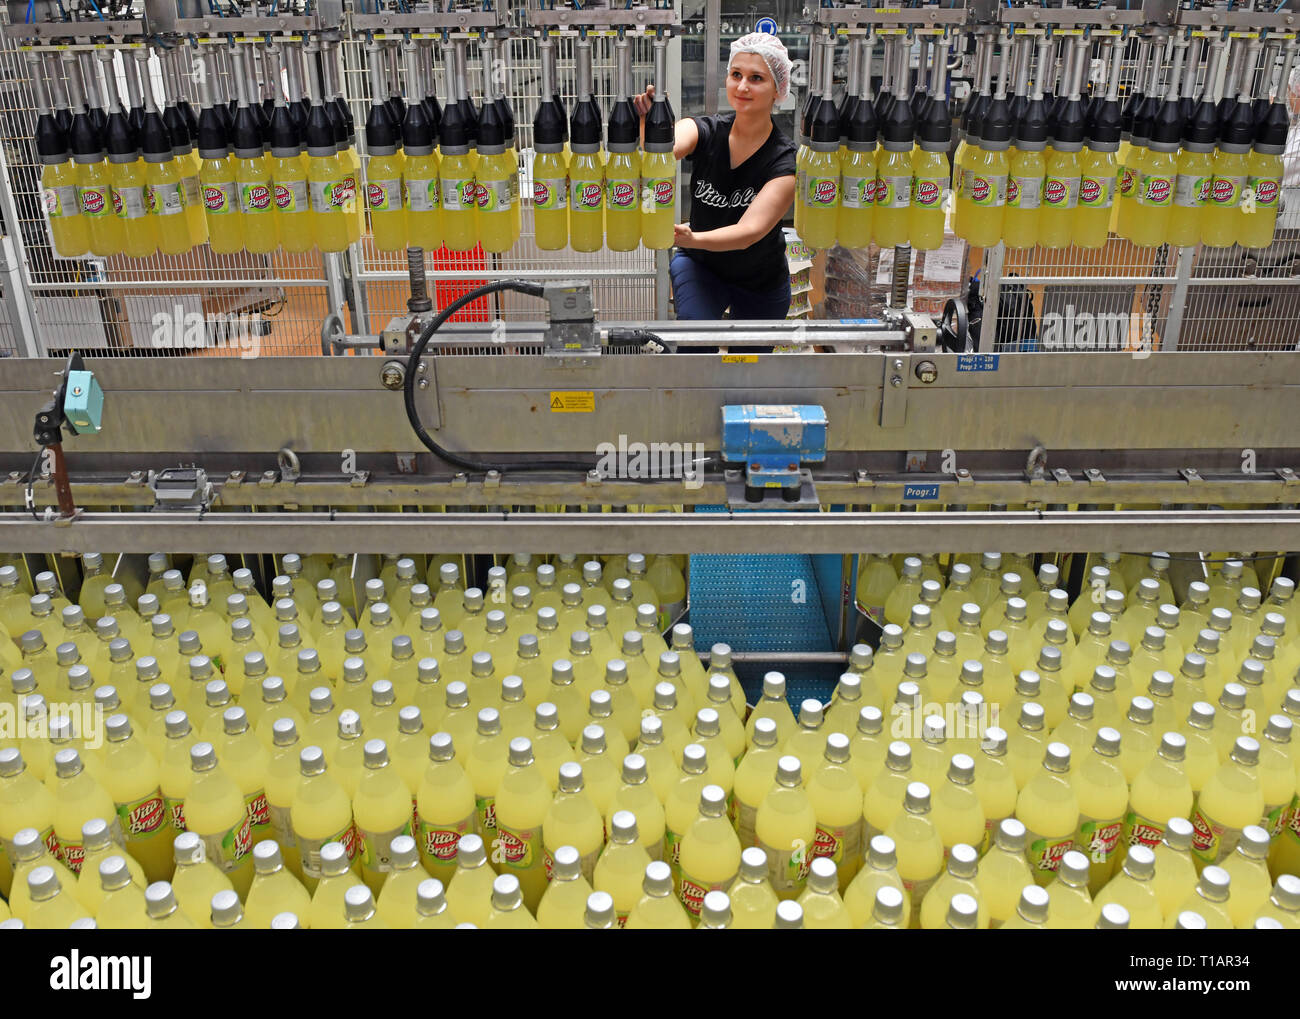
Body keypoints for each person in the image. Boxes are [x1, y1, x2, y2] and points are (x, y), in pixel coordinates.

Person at [633, 32, 798, 327]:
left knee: (751, 364)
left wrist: (694, 237)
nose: (743, 86)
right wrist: (652, 126)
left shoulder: (783, 160)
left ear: (778, 89)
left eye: (756, 78)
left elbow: (749, 232)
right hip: (701, 266)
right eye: (736, 74)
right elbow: (664, 154)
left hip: (761, 279)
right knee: (696, 344)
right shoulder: (706, 130)